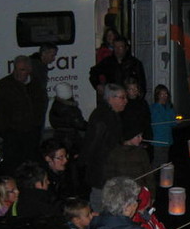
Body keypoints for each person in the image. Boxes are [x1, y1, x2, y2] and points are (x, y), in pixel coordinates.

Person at [0, 55, 48, 173]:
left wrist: (36, 124)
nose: (17, 73)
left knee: (31, 162)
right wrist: (5, 129)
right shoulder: (4, 85)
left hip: (31, 133)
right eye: (16, 69)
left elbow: (41, 104)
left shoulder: (36, 84)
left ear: (29, 70)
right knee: (13, 164)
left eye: (22, 70)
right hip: (12, 134)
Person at [80, 83, 126, 212]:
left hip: (108, 166)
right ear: (111, 98)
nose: (125, 101)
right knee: (99, 200)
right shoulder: (102, 116)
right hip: (101, 168)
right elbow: (93, 142)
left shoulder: (112, 115)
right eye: (122, 98)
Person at [102, 119, 156, 202]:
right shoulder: (115, 153)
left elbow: (148, 175)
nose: (141, 139)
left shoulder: (141, 152)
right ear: (129, 137)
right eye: (138, 136)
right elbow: (109, 175)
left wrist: (151, 195)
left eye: (141, 135)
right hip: (121, 194)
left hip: (139, 192)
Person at [49, 82, 88, 157]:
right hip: (70, 137)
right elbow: (79, 124)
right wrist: (91, 126)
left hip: (59, 135)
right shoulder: (69, 109)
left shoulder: (57, 104)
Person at [150, 85, 177, 167]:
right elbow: (161, 122)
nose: (164, 96)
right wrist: (172, 121)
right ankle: (149, 178)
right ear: (157, 95)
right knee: (157, 161)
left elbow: (172, 123)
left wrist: (176, 121)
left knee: (164, 162)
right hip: (158, 139)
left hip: (167, 139)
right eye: (161, 94)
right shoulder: (154, 108)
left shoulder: (169, 107)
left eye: (166, 94)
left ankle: (163, 178)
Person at [122, 78, 153, 149]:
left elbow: (147, 121)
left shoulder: (143, 103)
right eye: (131, 89)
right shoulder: (123, 103)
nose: (134, 91)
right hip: (128, 140)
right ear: (127, 91)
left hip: (142, 139)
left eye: (135, 88)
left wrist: (147, 139)